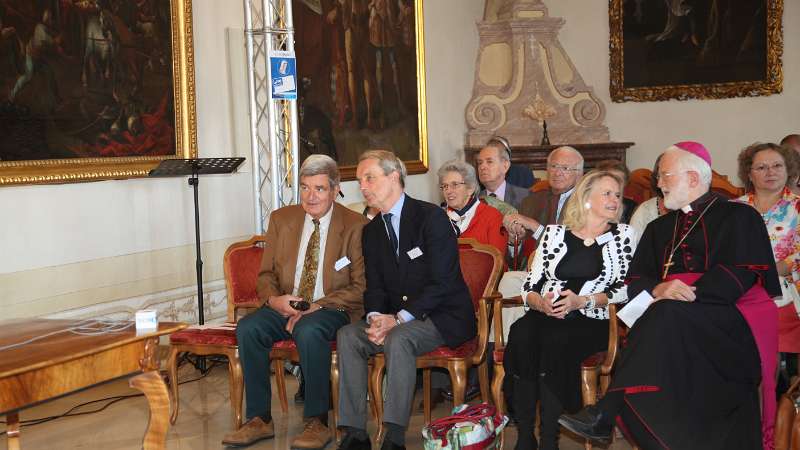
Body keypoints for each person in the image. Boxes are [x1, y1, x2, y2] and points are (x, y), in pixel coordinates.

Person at [560, 142, 780, 450]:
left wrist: (686, 294)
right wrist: (658, 289)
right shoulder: (658, 228)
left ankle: (606, 411)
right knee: (662, 315)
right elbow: (634, 280)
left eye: (665, 175)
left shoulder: (739, 216)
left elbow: (741, 275)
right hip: (669, 322)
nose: (658, 183)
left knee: (664, 313)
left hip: (728, 320)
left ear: (693, 178)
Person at [222, 155, 369, 449]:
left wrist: (317, 306)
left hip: (331, 306)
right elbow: (266, 274)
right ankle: (259, 419)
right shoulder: (282, 219)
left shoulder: (356, 225)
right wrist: (275, 300)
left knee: (309, 329)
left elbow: (361, 287)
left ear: (335, 189)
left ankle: (317, 421)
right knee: (249, 328)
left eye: (319, 188)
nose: (310, 196)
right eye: (304, 188)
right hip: (287, 303)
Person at [336, 150, 475, 450]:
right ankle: (354, 432)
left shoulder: (430, 217)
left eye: (369, 178)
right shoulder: (372, 231)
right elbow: (374, 286)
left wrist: (398, 319)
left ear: (393, 177)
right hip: (395, 317)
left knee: (399, 338)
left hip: (442, 315)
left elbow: (442, 283)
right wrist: (375, 317)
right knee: (348, 335)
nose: (362, 186)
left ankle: (394, 435)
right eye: (359, 180)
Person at [503, 170, 638, 450]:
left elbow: (626, 288)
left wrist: (582, 301)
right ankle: (525, 435)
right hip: (547, 313)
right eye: (607, 193)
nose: (615, 200)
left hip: (592, 318)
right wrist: (540, 303)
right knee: (521, 333)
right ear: (586, 198)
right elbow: (530, 285)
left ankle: (548, 439)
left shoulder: (623, 235)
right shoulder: (554, 234)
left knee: (554, 341)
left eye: (617, 194)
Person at [734, 142, 800, 370]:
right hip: (740, 289)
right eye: (761, 167)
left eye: (777, 166)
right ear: (749, 174)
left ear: (788, 169)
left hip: (788, 290)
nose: (770, 172)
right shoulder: (732, 209)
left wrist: (769, 273)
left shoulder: (797, 206)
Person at [504, 146, 584, 259]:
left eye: (565, 168)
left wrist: (535, 227)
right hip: (531, 267)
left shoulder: (586, 204)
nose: (557, 173)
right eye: (554, 166)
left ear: (579, 174)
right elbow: (514, 262)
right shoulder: (530, 201)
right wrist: (514, 242)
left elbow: (569, 249)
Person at [438, 159, 506, 255]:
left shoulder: (492, 217)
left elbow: (498, 259)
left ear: (470, 188)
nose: (448, 191)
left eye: (455, 185)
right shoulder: (439, 218)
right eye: (445, 186)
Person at [476, 136, 532, 210]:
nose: (482, 167)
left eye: (489, 162)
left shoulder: (525, 197)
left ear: (505, 166)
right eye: (480, 163)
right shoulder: (474, 200)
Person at [629, 155, 668, 238]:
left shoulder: (693, 208)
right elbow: (633, 243)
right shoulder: (645, 211)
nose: (660, 183)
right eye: (659, 176)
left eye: (667, 175)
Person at [595, 159, 638, 224]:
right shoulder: (592, 203)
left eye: (619, 180)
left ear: (626, 183)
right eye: (611, 179)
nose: (615, 183)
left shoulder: (632, 207)